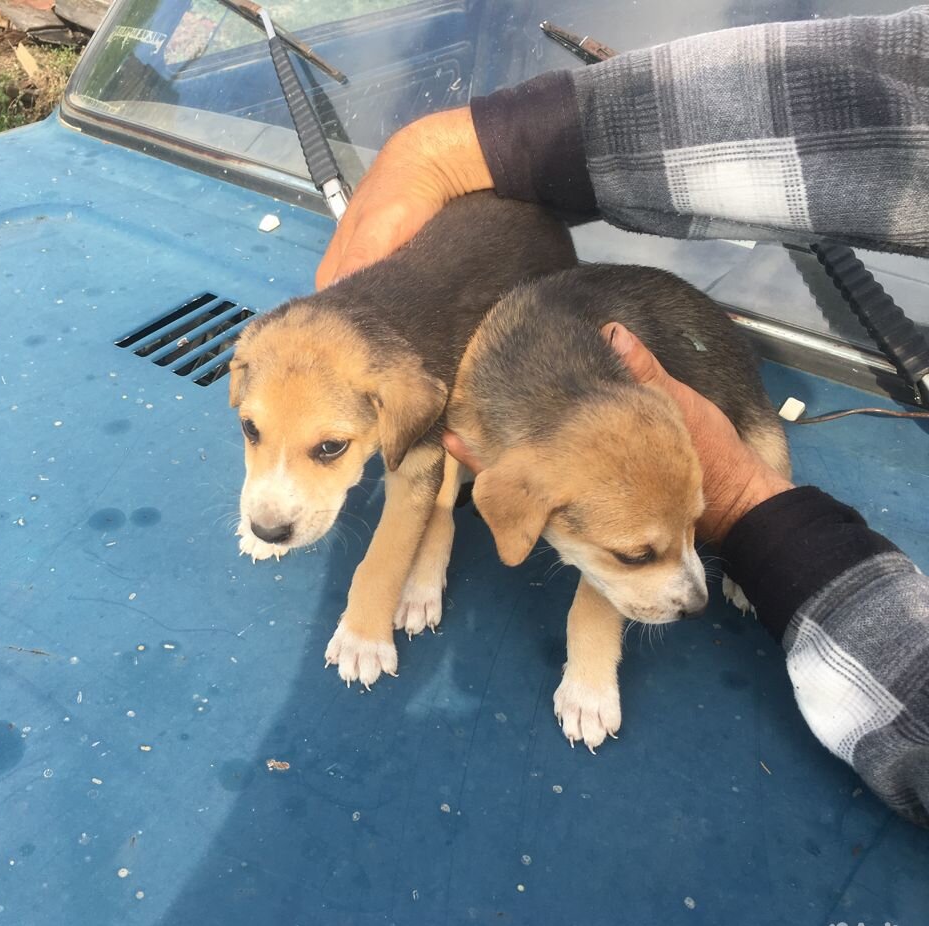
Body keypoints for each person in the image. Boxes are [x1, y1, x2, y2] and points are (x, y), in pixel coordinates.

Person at [321, 6, 929, 827]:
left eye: (677, 543)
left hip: (708, 398)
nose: (690, 592)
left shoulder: (638, 436)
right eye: (654, 556)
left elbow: (642, 495)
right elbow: (878, 101)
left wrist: (749, 498)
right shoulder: (485, 402)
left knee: (722, 468)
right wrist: (459, 145)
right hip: (563, 374)